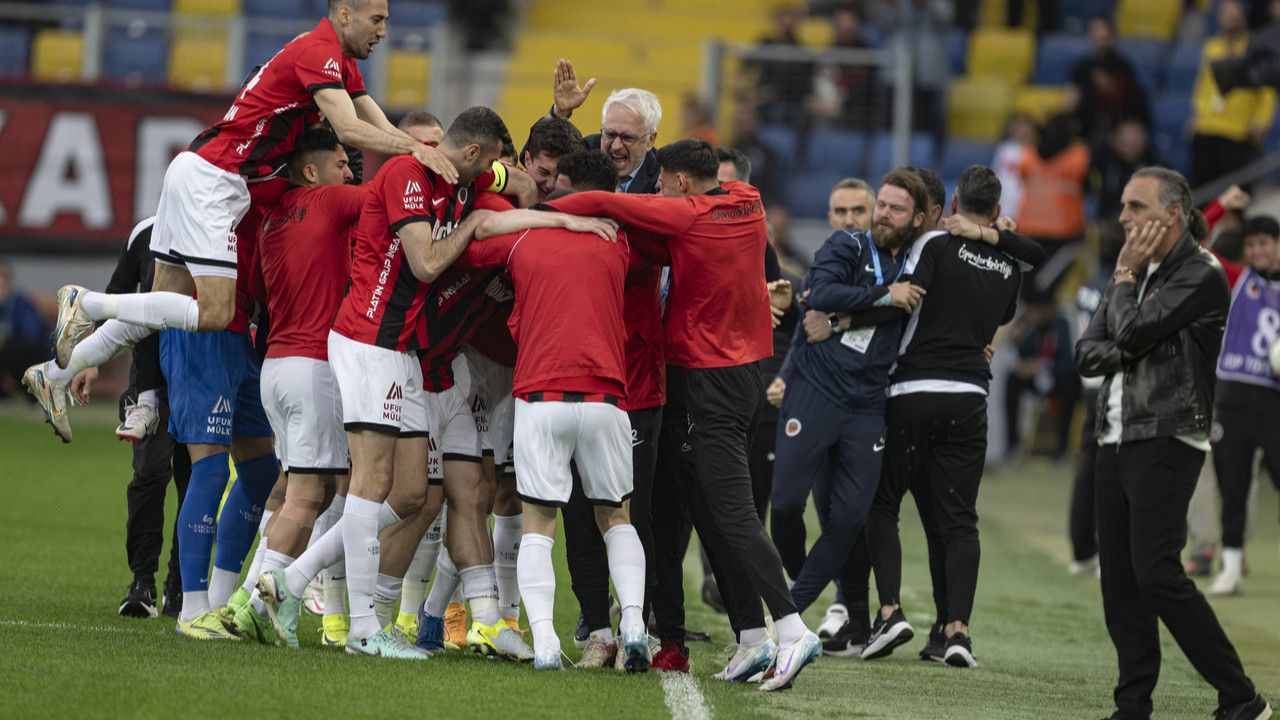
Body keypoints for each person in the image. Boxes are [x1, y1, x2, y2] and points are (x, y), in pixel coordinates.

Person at [26, 0, 459, 443]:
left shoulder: (339, 65)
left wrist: (414, 149)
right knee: (214, 311)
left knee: (162, 304)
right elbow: (349, 130)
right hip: (214, 179)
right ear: (345, 14)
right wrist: (414, 152)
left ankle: (57, 374)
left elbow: (377, 121)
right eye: (378, 19)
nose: (384, 30)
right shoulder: (318, 52)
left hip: (200, 170)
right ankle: (86, 303)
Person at [545, 139, 822, 692]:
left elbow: (602, 203)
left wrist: (538, 209)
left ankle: (792, 630)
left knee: (733, 511)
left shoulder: (688, 212)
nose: (658, 188)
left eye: (665, 181)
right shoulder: (748, 198)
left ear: (685, 184)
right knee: (715, 511)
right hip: (744, 370)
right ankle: (750, 638)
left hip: (714, 380)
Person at [257, 107, 511, 660]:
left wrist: (517, 189)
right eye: (418, 143)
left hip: (399, 354)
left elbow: (525, 185)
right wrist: (473, 226)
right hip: (369, 342)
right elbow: (422, 265)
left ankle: (291, 581)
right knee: (366, 484)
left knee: (414, 493)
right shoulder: (403, 179)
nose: (425, 150)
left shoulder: (453, 187)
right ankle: (363, 627)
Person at [1076, 166, 1270, 720]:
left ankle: (1242, 697)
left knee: (1156, 573)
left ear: (1173, 216)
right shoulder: (1133, 273)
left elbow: (1130, 332)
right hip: (1113, 433)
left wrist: (1122, 287)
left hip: (1166, 433)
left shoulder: (1202, 273)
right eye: (1122, 206)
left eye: (1136, 207)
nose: (1122, 218)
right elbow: (1088, 354)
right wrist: (1126, 315)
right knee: (1119, 584)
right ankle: (1132, 706)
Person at [457, 168, 647, 672]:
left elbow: (475, 231)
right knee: (616, 517)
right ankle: (632, 623)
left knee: (540, 524)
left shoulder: (523, 237)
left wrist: (543, 219)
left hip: (541, 396)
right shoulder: (619, 239)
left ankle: (542, 641)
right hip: (606, 394)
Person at [861, 165, 1042, 668]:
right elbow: (1002, 316)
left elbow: (906, 300)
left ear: (956, 202)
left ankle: (890, 610)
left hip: (913, 389)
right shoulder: (1009, 265)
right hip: (969, 399)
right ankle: (956, 631)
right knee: (960, 520)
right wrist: (994, 241)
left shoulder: (933, 247)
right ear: (999, 212)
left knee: (882, 504)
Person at [770, 170, 928, 651]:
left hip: (868, 403)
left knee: (850, 516)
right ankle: (803, 581)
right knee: (786, 504)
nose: (882, 214)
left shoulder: (921, 261)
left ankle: (789, 610)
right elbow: (819, 294)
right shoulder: (849, 246)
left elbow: (904, 305)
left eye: (894, 209)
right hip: (816, 391)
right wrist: (885, 296)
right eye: (881, 204)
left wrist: (845, 319)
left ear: (918, 219)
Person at [231, 129, 362, 644]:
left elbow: (260, 289)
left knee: (292, 487)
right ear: (312, 172)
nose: (350, 172)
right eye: (341, 162)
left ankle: (247, 597)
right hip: (313, 365)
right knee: (312, 494)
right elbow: (386, 196)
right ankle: (257, 605)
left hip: (276, 366)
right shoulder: (327, 201)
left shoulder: (271, 221)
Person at [93, 220, 191, 620]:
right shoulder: (145, 234)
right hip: (151, 382)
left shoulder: (226, 229)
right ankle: (142, 584)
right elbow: (114, 298)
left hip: (202, 376)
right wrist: (90, 361)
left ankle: (181, 587)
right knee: (150, 474)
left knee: (197, 481)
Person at [1205, 215, 1280, 597]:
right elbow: (1198, 250)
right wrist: (1220, 210)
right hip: (1232, 399)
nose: (1257, 251)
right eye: (1251, 245)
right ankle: (1230, 568)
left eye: (1264, 243)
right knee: (1232, 488)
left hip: (1274, 402)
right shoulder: (1236, 280)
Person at [1190, 0, 1277, 188]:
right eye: (1226, 14)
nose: (1231, 18)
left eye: (1235, 14)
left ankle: (1234, 217)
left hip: (1238, 129)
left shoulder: (1255, 44)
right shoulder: (1211, 47)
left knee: (1233, 191)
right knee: (1201, 187)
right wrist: (1196, 115)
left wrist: (1262, 120)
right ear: (1219, 18)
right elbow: (1202, 85)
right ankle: (1203, 217)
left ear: (1243, 17)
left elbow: (1268, 89)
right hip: (1208, 125)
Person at [1002, 287, 1078, 461]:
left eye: (1035, 309)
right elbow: (1024, 354)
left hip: (1057, 378)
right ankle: (1012, 445)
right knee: (1012, 379)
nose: (1032, 314)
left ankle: (1062, 448)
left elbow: (1068, 360)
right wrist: (1015, 341)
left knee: (1070, 380)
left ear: (1047, 309)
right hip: (1036, 380)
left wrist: (1042, 368)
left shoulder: (1063, 324)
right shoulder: (1030, 326)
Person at [0, 261, 50, 403]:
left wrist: (5, 344)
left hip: (31, 356)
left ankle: (33, 393)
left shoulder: (20, 305)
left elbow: (32, 338)